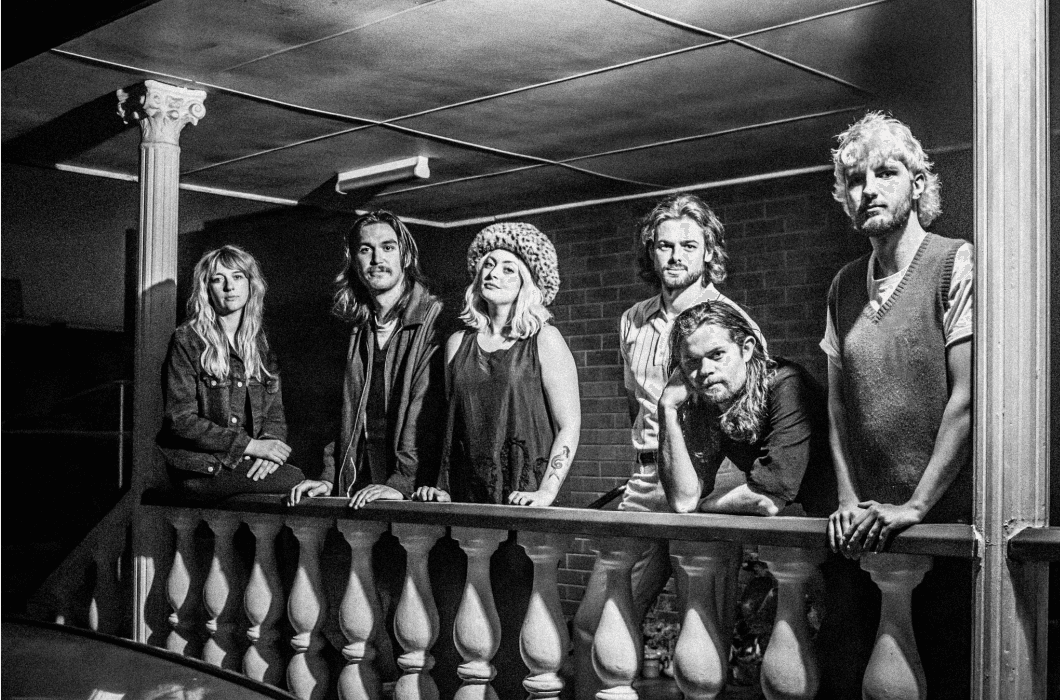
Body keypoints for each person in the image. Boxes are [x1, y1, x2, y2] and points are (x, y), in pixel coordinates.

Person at [573, 193, 763, 700]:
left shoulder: (731, 320)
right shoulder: (632, 320)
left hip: (708, 484)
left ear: (708, 252)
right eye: (664, 245)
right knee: (592, 624)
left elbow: (751, 416)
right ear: (650, 252)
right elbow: (632, 404)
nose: (676, 255)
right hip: (645, 483)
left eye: (689, 245)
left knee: (704, 638)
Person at [819, 111, 973, 699]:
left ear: (918, 183)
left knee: (943, 675)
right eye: (856, 179)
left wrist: (917, 504)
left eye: (886, 173)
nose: (869, 190)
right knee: (852, 675)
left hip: (942, 528)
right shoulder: (843, 286)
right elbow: (838, 408)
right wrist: (846, 499)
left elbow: (966, 400)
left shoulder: (953, 261)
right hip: (866, 529)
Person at [413, 221, 580, 506]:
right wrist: (442, 486)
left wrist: (546, 492)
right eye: (489, 265)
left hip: (525, 495)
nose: (493, 274)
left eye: (508, 269)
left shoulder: (545, 339)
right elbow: (452, 425)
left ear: (526, 283)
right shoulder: (457, 343)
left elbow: (569, 425)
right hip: (466, 496)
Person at [287, 209, 445, 507]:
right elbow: (342, 413)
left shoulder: (434, 319)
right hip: (364, 482)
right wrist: (329, 478)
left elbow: (425, 415)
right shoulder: (357, 327)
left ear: (405, 256)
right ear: (354, 261)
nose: (376, 259)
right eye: (365, 250)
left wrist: (402, 483)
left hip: (416, 488)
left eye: (388, 247)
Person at [657, 301, 834, 518]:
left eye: (717, 355)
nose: (705, 370)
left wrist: (705, 506)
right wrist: (667, 408)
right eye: (692, 361)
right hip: (822, 516)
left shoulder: (786, 384)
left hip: (858, 511)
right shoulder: (710, 400)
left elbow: (766, 499)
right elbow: (683, 500)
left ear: (747, 349)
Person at [157, 244, 305, 500]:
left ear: (250, 284)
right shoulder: (187, 340)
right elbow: (180, 421)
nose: (229, 286)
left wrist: (268, 452)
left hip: (244, 462)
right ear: (207, 289)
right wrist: (251, 446)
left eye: (237, 277)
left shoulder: (261, 345)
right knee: (295, 480)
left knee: (292, 479)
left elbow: (274, 414)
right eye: (218, 279)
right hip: (201, 466)